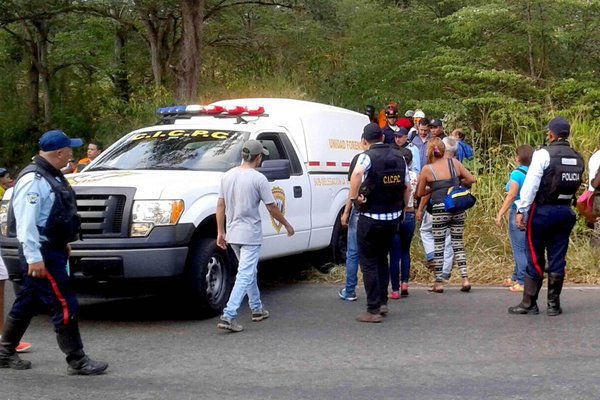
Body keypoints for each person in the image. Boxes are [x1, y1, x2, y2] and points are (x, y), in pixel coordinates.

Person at [0, 129, 108, 375]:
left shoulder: (52, 175)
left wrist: (64, 242)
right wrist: (35, 258)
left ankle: (4, 351)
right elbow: (27, 225)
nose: (73, 152)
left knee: (29, 301)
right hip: (43, 254)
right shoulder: (34, 181)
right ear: (59, 153)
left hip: (51, 248)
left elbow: (54, 214)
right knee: (65, 303)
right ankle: (77, 360)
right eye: (69, 148)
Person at [509, 117, 584, 316]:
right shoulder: (577, 156)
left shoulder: (543, 154)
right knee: (558, 257)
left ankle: (529, 303)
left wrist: (521, 210)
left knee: (534, 256)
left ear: (551, 134)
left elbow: (531, 185)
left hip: (542, 211)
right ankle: (553, 305)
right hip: (565, 211)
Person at [216, 140, 294, 332]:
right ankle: (229, 314)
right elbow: (272, 207)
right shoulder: (258, 179)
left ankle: (257, 308)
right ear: (258, 157)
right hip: (250, 234)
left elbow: (220, 206)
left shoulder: (227, 177)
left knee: (248, 272)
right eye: (262, 156)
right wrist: (286, 225)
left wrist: (220, 231)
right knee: (245, 274)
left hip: (233, 233)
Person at [349, 123, 409, 323]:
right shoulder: (399, 157)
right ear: (383, 138)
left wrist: (354, 198)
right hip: (392, 218)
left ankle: (373, 309)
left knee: (369, 263)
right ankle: (383, 302)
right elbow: (407, 187)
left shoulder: (367, 156)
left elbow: (357, 174)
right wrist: (402, 207)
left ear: (364, 141)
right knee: (383, 259)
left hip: (370, 218)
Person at [417, 137, 477, 293]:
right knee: (458, 243)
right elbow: (472, 179)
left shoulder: (427, 169)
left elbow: (419, 192)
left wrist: (434, 188)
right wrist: (457, 184)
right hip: (456, 208)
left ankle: (439, 282)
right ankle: (465, 279)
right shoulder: (454, 163)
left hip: (439, 209)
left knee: (439, 245)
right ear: (443, 150)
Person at [495, 145, 534, 292]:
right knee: (525, 246)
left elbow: (512, 195)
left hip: (518, 211)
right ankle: (516, 277)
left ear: (518, 158)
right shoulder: (534, 173)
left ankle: (522, 281)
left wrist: (500, 213)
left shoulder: (517, 174)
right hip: (531, 210)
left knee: (518, 248)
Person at [339, 139, 370, 301]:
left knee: (353, 253)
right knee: (374, 255)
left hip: (359, 211)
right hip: (377, 213)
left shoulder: (359, 159)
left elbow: (353, 188)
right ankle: (378, 291)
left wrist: (346, 212)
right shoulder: (385, 158)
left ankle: (350, 290)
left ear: (363, 141)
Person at [389, 146, 418, 298]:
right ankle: (405, 283)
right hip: (411, 214)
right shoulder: (415, 176)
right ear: (411, 161)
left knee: (394, 253)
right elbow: (419, 194)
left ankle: (394, 290)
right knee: (405, 251)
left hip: (395, 215)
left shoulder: (395, 176)